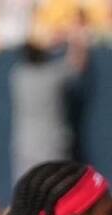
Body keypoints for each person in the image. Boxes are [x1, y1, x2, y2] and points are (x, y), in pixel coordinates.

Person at [9, 33, 87, 181]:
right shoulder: (53, 75)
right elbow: (78, 63)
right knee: (56, 186)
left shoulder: (18, 75)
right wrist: (69, 39)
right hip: (52, 144)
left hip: (25, 144)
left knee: (27, 188)